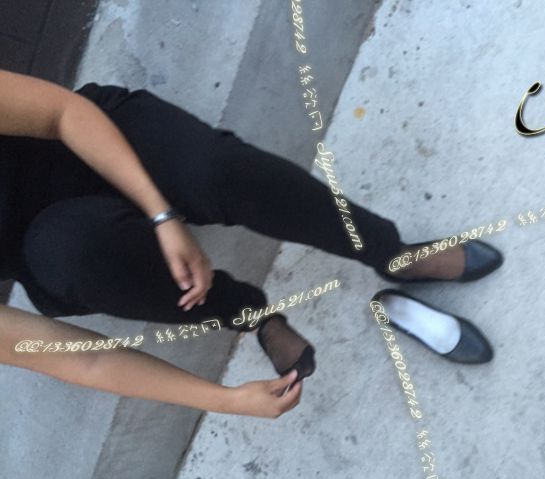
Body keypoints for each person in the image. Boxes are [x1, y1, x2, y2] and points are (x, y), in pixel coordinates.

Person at [0, 69, 503, 418]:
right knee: (80, 256)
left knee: (220, 173)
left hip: (78, 139)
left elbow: (62, 113)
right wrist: (223, 399)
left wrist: (161, 214)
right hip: (51, 244)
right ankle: (256, 317)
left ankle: (390, 252)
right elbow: (77, 359)